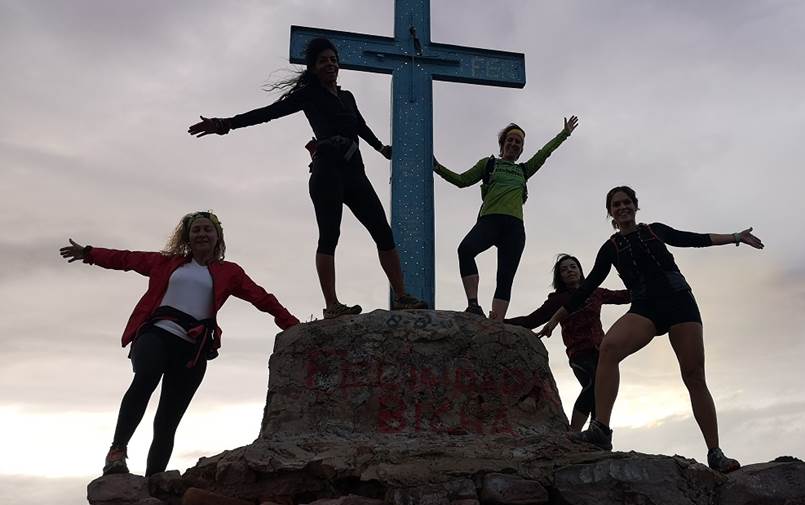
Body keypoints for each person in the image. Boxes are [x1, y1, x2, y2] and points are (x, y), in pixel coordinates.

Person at [188, 37, 426, 318]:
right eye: (323, 61)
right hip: (327, 173)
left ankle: (401, 296)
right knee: (330, 235)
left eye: (333, 60)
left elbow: (360, 126)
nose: (330, 64)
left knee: (383, 232)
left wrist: (381, 148)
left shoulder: (347, 97)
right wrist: (225, 124)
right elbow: (268, 113)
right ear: (313, 67)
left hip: (355, 172)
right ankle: (332, 305)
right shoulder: (309, 95)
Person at [538, 186, 764, 473]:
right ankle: (601, 430)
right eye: (616, 205)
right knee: (609, 348)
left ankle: (715, 453)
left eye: (627, 202)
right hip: (645, 307)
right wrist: (555, 319)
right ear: (610, 213)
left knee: (694, 374)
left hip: (679, 301)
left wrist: (735, 237)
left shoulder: (655, 231)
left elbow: (693, 239)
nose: (622, 207)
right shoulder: (610, 248)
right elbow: (587, 287)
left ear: (635, 206)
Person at [59, 211, 300, 476]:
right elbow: (126, 258)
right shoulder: (166, 262)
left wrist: (292, 324)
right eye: (196, 230)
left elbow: (262, 298)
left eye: (207, 229)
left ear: (217, 236)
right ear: (188, 237)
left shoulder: (230, 272)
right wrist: (89, 253)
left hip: (192, 349)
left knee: (168, 418)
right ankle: (117, 452)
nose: (202, 234)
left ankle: (154, 481)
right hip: (157, 333)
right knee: (145, 377)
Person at [432, 116, 578, 320]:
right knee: (465, 250)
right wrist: (437, 167)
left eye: (518, 142)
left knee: (505, 276)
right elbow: (462, 180)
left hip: (514, 227)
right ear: (502, 144)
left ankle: (497, 321)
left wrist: (564, 134)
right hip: (490, 220)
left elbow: (544, 153)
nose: (514, 144)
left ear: (521, 149)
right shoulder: (489, 164)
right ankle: (473, 304)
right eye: (510, 140)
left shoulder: (523, 170)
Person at [505, 254, 629, 431]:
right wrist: (501, 321)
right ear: (560, 277)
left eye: (573, 267)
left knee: (600, 393)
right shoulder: (558, 299)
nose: (569, 271)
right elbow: (531, 320)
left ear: (580, 271)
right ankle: (573, 431)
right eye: (564, 269)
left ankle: (595, 434)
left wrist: (630, 275)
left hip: (601, 352)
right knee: (592, 384)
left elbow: (626, 296)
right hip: (579, 353)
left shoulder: (595, 292)